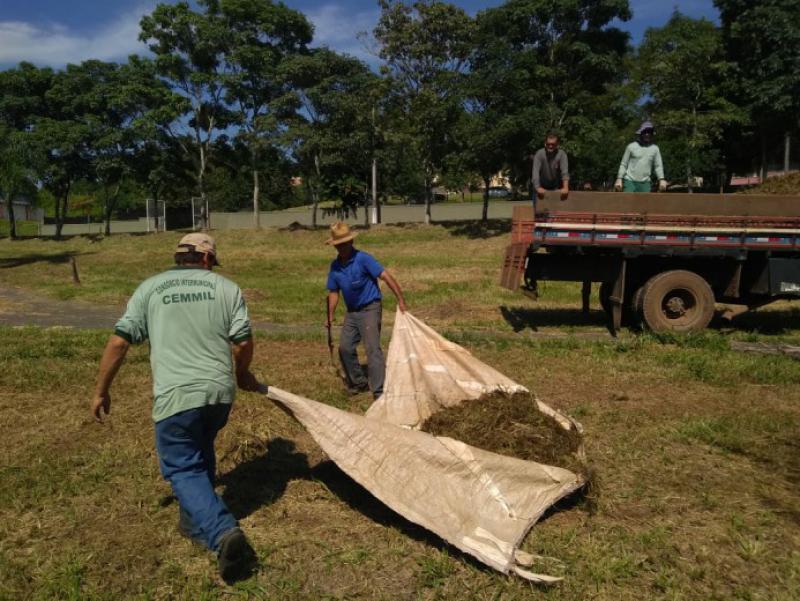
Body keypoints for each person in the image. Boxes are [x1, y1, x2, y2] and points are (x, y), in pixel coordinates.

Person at [90, 233, 260, 584]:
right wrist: (241, 374)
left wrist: (100, 391)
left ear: (179, 257)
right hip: (218, 395)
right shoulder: (226, 289)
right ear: (208, 260)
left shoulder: (150, 288)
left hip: (176, 396)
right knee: (200, 448)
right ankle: (191, 524)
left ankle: (222, 532)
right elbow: (243, 342)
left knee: (181, 467)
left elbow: (120, 341)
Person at [325, 222, 406, 399]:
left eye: (344, 244)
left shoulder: (363, 259)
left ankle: (379, 391)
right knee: (345, 348)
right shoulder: (335, 266)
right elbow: (333, 292)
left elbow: (385, 276)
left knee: (372, 349)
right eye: (338, 245)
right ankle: (358, 383)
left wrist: (400, 298)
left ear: (350, 242)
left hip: (370, 307)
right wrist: (330, 316)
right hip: (352, 312)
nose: (341, 247)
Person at [615, 121, 667, 192]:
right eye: (645, 132)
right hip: (630, 181)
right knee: (627, 202)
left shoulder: (655, 149)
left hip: (645, 183)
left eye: (649, 132)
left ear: (652, 134)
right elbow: (624, 164)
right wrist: (619, 178)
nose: (647, 134)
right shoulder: (631, 147)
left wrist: (661, 179)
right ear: (640, 133)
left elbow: (658, 166)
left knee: (645, 203)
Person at [531, 132, 570, 203]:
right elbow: (535, 173)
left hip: (555, 186)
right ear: (545, 143)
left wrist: (565, 188)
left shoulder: (562, 154)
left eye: (553, 144)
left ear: (557, 144)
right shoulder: (539, 154)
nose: (550, 146)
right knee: (538, 212)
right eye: (548, 144)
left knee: (555, 212)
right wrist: (538, 187)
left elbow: (565, 172)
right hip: (541, 186)